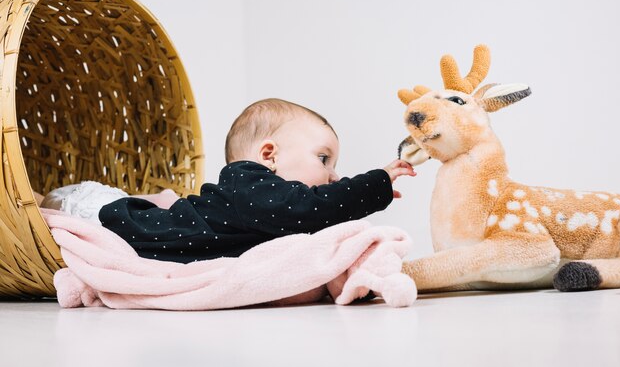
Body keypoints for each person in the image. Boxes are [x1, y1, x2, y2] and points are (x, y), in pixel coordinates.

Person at [45, 98, 415, 263]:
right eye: (324, 158)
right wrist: (375, 183)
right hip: (103, 215)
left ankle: (160, 199)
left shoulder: (260, 201)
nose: (333, 174)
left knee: (167, 205)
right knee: (36, 203)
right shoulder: (250, 183)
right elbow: (310, 209)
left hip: (130, 213)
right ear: (269, 155)